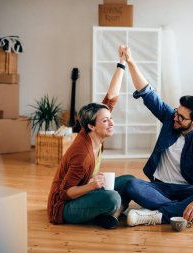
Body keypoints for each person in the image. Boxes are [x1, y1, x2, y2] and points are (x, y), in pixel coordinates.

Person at [122, 47, 193, 226]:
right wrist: (130, 61)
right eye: (177, 112)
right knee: (132, 185)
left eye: (182, 118)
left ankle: (155, 216)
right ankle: (191, 213)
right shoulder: (172, 118)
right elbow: (147, 92)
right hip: (160, 187)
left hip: (187, 189)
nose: (175, 118)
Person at [47, 46, 134, 229]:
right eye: (105, 120)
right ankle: (113, 211)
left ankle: (112, 215)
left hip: (83, 193)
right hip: (63, 208)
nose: (111, 123)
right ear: (91, 126)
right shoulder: (83, 155)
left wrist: (122, 63)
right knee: (113, 197)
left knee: (128, 181)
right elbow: (64, 193)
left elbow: (111, 98)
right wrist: (92, 186)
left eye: (111, 119)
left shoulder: (92, 131)